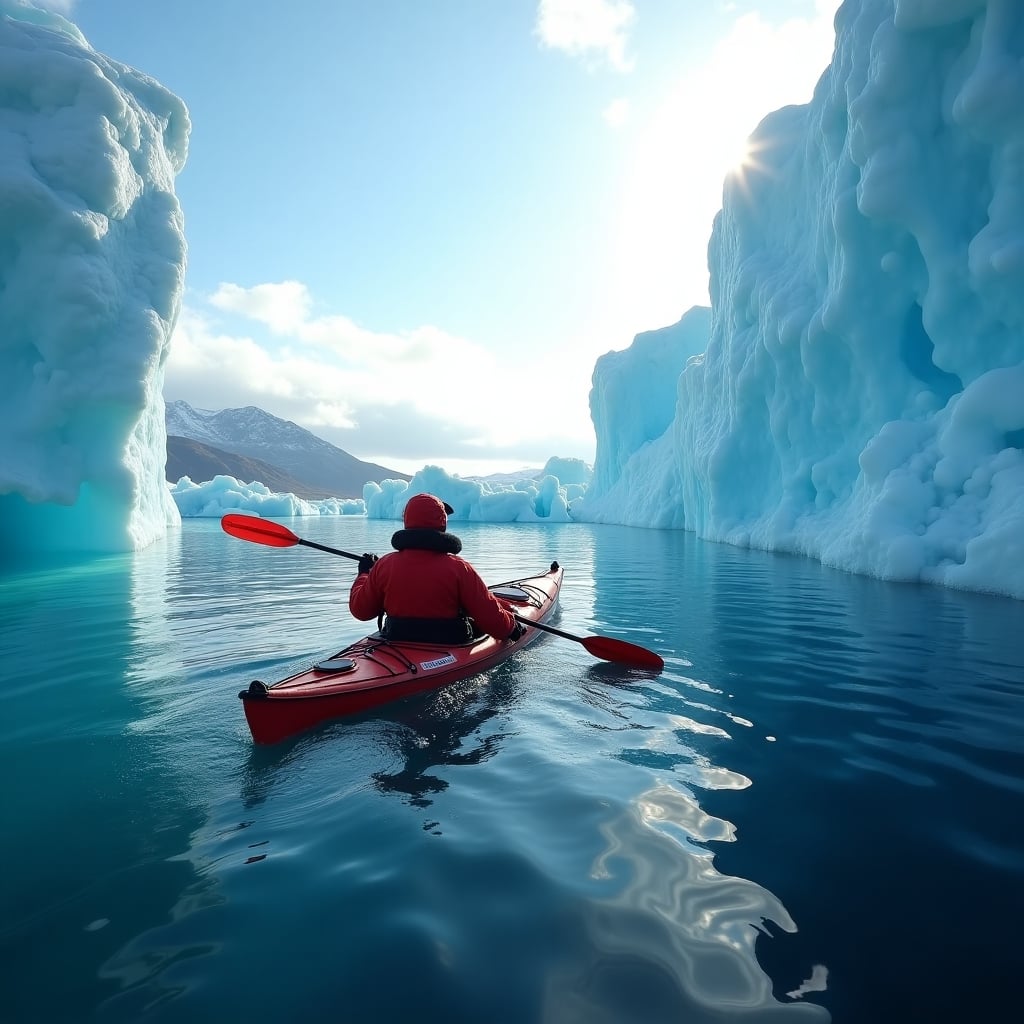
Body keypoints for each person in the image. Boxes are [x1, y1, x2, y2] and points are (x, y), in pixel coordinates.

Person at [349, 493, 527, 644]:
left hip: (397, 639)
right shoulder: (458, 568)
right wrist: (512, 627)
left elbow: (361, 611)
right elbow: (493, 621)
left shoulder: (384, 565)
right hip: (449, 642)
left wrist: (364, 573)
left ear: (407, 521)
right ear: (442, 523)